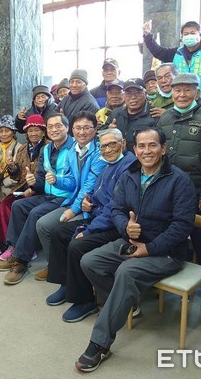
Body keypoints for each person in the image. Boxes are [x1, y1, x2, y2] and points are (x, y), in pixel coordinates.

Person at [74, 127, 196, 372]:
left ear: (163, 148)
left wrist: (149, 248)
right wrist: (126, 227)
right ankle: (125, 301)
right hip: (131, 242)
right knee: (90, 261)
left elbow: (182, 226)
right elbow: (116, 209)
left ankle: (100, 343)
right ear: (134, 149)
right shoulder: (129, 174)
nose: (146, 151)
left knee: (127, 272)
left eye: (152, 145)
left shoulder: (179, 179)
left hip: (167, 251)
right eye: (141, 146)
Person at [45, 128, 136, 322]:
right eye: (103, 146)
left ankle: (85, 301)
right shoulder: (108, 164)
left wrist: (88, 230)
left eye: (112, 144)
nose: (108, 149)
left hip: (116, 226)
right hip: (99, 217)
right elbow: (100, 193)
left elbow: (116, 207)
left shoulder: (128, 167)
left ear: (123, 144)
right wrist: (90, 202)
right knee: (58, 232)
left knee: (77, 245)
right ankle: (67, 283)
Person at [157, 73, 201, 309]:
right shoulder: (165, 117)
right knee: (171, 237)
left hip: (198, 190)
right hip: (169, 189)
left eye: (187, 90)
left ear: (197, 92)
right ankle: (172, 282)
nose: (182, 95)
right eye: (177, 90)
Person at [0, 113, 75, 284]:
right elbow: (40, 177)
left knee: (36, 213)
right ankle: (16, 250)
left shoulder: (74, 147)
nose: (54, 129)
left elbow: (77, 179)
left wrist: (57, 182)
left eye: (58, 126)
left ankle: (21, 261)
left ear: (67, 128)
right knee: (18, 206)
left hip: (66, 197)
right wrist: (34, 182)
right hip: (47, 194)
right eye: (51, 126)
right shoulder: (47, 149)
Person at [32, 111, 106, 282]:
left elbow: (89, 186)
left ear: (95, 129)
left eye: (87, 127)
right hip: (75, 201)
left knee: (57, 229)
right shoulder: (73, 150)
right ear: (72, 129)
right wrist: (57, 181)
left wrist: (72, 210)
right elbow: (73, 182)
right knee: (42, 224)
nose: (82, 132)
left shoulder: (99, 153)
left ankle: (67, 274)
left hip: (91, 207)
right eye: (78, 128)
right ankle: (56, 267)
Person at [142, 20, 201, 106]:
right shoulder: (177, 53)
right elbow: (158, 52)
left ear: (200, 35)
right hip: (181, 102)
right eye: (186, 34)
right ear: (182, 37)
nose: (189, 36)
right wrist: (147, 36)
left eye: (192, 33)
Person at [0, 114, 46, 255]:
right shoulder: (23, 149)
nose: (33, 133)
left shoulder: (48, 147)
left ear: (43, 132)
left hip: (42, 189)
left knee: (16, 206)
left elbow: (47, 174)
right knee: (6, 203)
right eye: (30, 130)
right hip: (22, 186)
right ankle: (4, 244)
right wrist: (12, 167)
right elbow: (17, 174)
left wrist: (33, 188)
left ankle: (22, 247)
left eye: (37, 130)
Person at [104, 78, 155, 151]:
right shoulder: (115, 113)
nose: (133, 97)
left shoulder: (154, 114)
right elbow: (101, 134)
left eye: (138, 93)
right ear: (123, 95)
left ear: (145, 93)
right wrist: (108, 131)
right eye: (128, 93)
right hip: (118, 159)